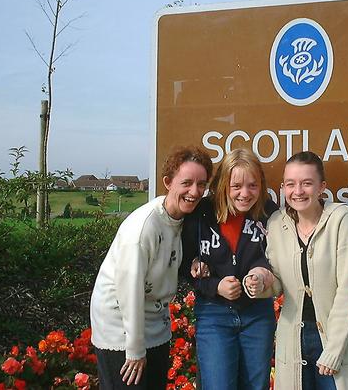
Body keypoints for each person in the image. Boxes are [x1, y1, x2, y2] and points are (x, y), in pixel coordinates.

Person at [90, 146, 213, 389]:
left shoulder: (184, 220)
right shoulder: (144, 227)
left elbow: (177, 260)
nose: (194, 191)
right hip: (120, 330)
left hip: (156, 325)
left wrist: (195, 263)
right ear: (168, 182)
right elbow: (128, 290)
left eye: (201, 184)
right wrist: (134, 349)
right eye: (186, 183)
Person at [248, 151, 348, 390]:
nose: (298, 191)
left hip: (333, 340)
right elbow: (277, 282)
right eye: (291, 184)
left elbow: (347, 289)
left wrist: (334, 350)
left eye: (307, 183)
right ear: (283, 187)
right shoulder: (276, 223)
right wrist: (260, 282)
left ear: (321, 187)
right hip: (293, 339)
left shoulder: (340, 219)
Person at [180, 148, 278, 390]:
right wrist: (215, 285)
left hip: (257, 314)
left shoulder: (269, 212)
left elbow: (277, 259)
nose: (245, 194)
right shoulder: (201, 213)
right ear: (223, 184)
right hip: (214, 314)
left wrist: (261, 274)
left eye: (252, 186)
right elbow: (184, 266)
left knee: (256, 386)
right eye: (236, 186)